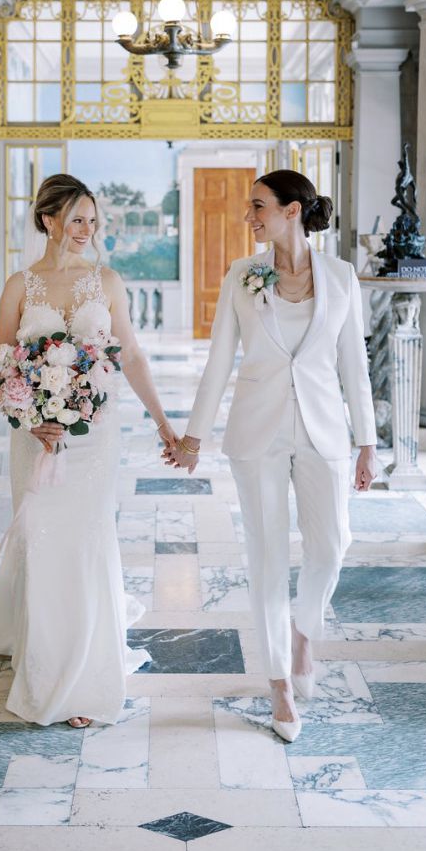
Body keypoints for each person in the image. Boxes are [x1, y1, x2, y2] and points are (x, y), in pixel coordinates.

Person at [0, 174, 177, 728]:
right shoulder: (19, 285)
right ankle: (50, 672)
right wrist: (30, 420)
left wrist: (166, 425)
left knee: (87, 540)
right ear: (48, 219)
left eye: (93, 221)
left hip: (95, 438)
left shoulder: (109, 281)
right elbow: (1, 367)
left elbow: (132, 358)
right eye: (76, 219)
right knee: (46, 542)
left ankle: (87, 672)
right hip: (35, 437)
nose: (86, 230)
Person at [164, 170, 377, 742]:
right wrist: (192, 437)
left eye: (258, 206)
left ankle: (305, 628)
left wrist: (367, 441)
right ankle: (280, 681)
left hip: (323, 430)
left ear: (292, 211)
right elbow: (218, 363)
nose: (249, 217)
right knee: (265, 556)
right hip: (256, 434)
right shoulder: (242, 276)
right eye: (248, 208)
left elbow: (353, 361)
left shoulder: (339, 275)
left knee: (332, 544)